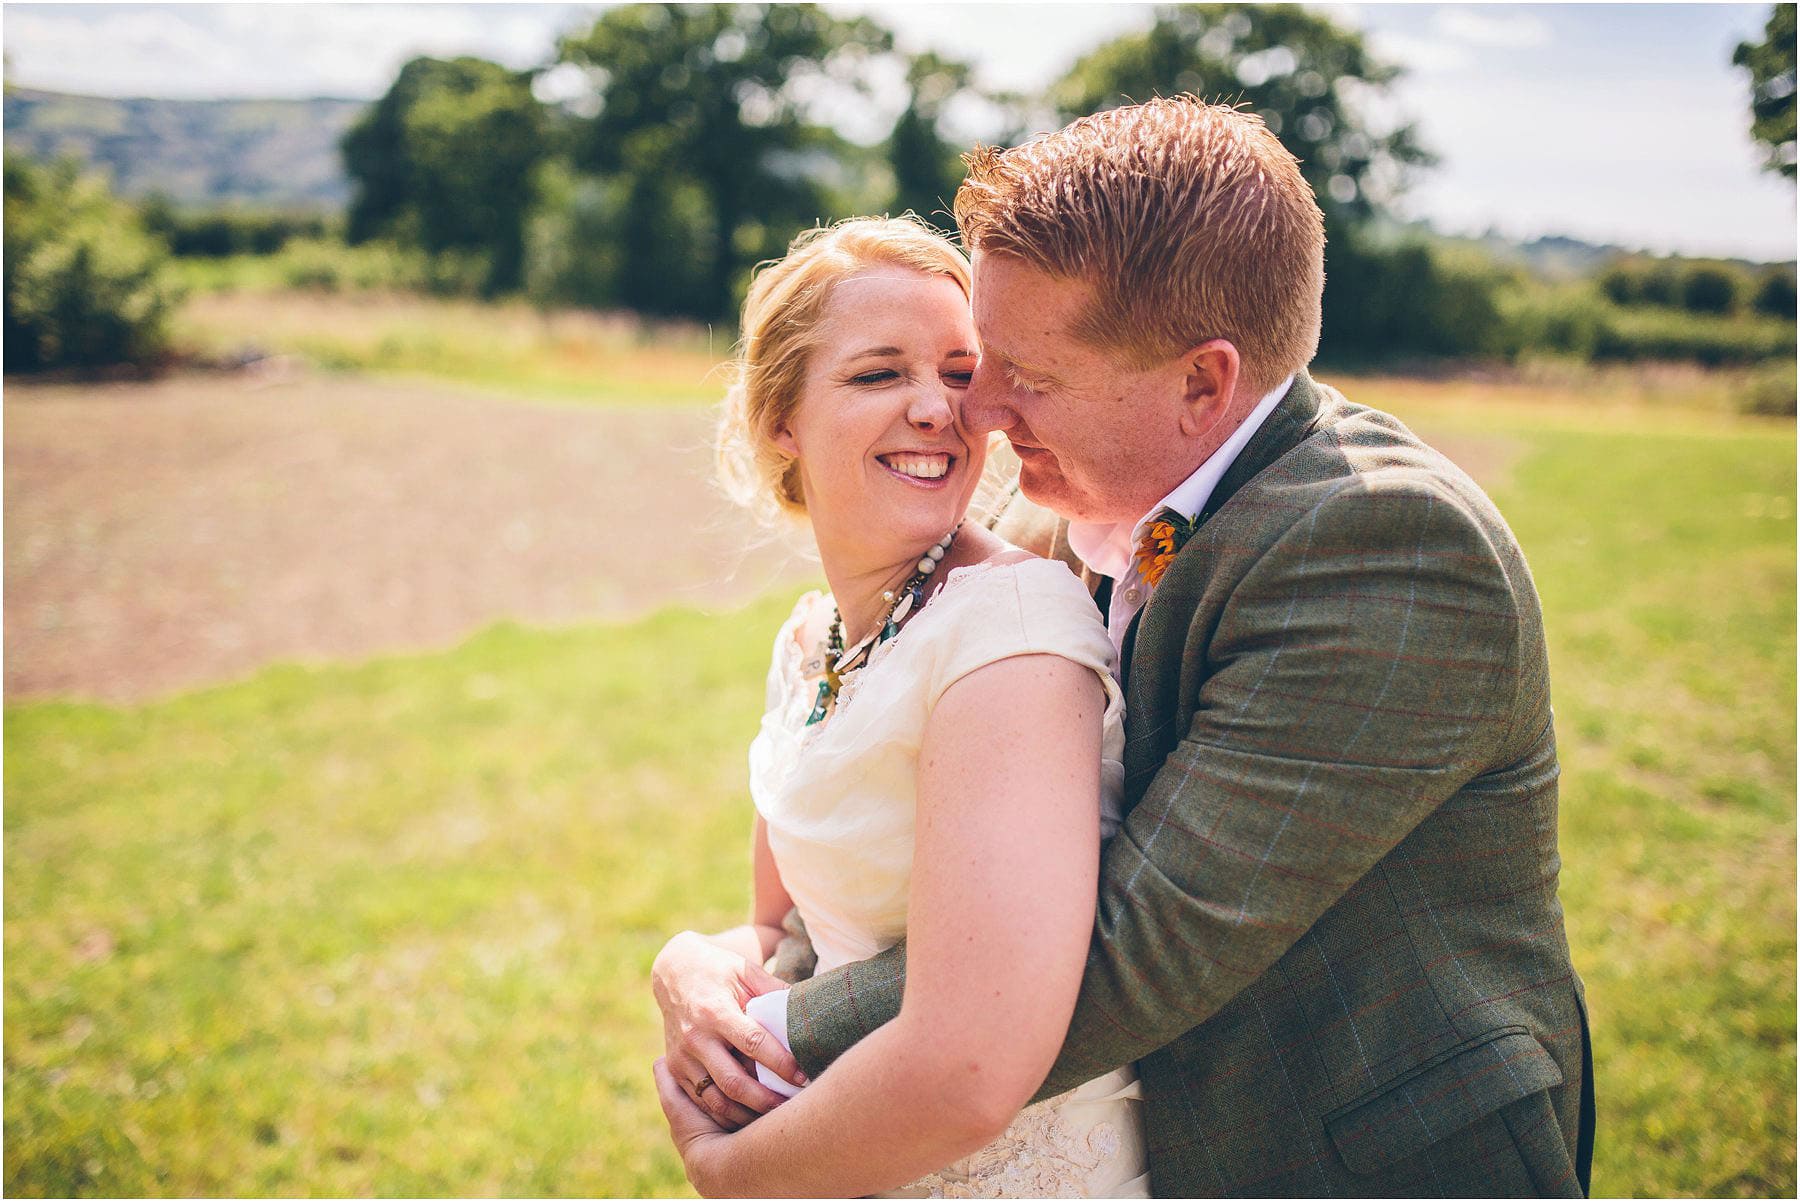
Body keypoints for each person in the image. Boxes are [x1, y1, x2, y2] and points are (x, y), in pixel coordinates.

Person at [654, 97, 1594, 1197]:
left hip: (1360, 1151)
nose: (982, 412)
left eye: (1026, 376)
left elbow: (1128, 942)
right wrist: (700, 966)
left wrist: (754, 1040)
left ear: (1203, 382)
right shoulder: (1068, 522)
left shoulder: (1388, 546)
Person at [650, 215, 1152, 1196]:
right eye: (880, 374)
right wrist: (689, 962)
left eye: (961, 374)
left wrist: (735, 1172)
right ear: (780, 418)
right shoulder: (810, 638)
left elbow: (970, 1074)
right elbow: (780, 925)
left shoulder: (1009, 629)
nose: (936, 407)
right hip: (858, 1145)